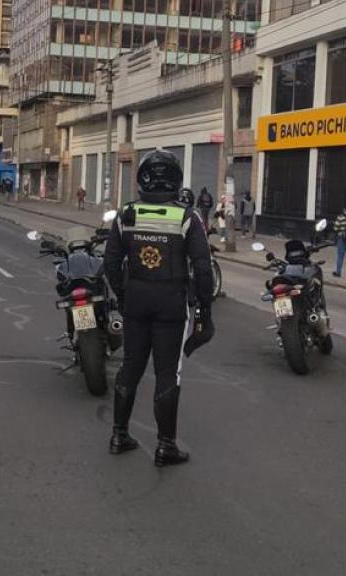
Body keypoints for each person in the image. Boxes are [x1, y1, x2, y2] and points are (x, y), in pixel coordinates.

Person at [104, 150, 214, 467]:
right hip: (171, 303)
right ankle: (166, 446)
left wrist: (123, 296)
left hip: (136, 299)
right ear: (177, 179)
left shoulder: (126, 214)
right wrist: (204, 309)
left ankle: (118, 435)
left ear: (141, 179)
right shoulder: (187, 217)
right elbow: (203, 270)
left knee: (130, 367)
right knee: (168, 373)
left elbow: (110, 263)